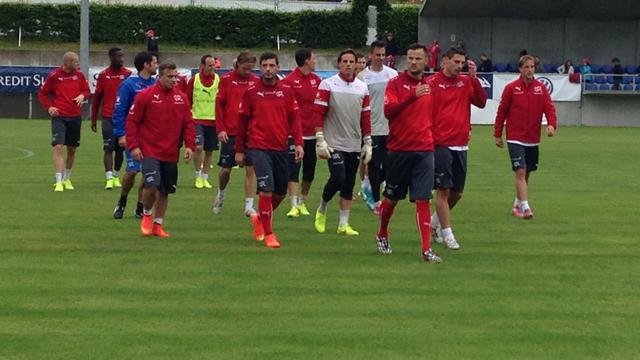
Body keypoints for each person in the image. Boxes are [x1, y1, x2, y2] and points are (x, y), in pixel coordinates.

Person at [376, 42, 441, 263]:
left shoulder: (430, 85)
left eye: (418, 59)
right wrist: (412, 95)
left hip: (424, 149)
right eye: (410, 58)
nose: (413, 62)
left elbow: (433, 116)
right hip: (398, 149)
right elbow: (388, 111)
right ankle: (382, 232)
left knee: (423, 199)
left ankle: (426, 249)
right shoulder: (395, 84)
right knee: (392, 199)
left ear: (426, 61)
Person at [235, 52, 303, 248]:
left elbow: (295, 119)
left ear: (278, 67)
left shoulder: (287, 91)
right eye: (264, 65)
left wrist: (298, 143)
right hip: (258, 147)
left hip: (280, 147)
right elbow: (242, 123)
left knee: (280, 192)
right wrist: (239, 150)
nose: (268, 69)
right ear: (260, 68)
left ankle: (260, 218)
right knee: (266, 190)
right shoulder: (251, 92)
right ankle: (269, 233)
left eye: (271, 65)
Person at [126, 61, 196, 238]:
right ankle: (147, 214)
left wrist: (189, 145)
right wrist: (133, 146)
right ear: (160, 77)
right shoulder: (146, 96)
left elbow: (188, 123)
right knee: (151, 184)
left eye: (176, 77)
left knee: (165, 190)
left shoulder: (181, 98)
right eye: (170, 77)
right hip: (149, 150)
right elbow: (132, 122)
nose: (174, 80)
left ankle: (158, 225)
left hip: (171, 152)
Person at [428, 45, 487, 250]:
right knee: (443, 191)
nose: (459, 66)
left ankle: (433, 223)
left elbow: (481, 102)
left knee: (458, 193)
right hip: (440, 143)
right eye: (456, 62)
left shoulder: (465, 81)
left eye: (462, 63)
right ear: (445, 61)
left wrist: (474, 77)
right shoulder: (433, 83)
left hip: (461, 144)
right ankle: (447, 233)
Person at [314, 49, 372, 236]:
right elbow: (318, 114)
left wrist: (368, 141)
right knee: (338, 177)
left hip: (354, 143)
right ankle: (322, 208)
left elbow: (365, 117)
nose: (348, 64)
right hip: (333, 142)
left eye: (351, 61)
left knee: (348, 183)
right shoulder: (327, 84)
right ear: (338, 64)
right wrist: (320, 139)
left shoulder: (362, 87)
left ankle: (343, 224)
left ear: (356, 64)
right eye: (344, 61)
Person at [494, 55, 557, 219]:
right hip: (515, 137)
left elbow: (549, 108)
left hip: (533, 137)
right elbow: (502, 111)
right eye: (527, 67)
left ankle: (517, 203)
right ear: (520, 69)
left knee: (527, 172)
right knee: (520, 172)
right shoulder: (511, 88)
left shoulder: (541, 88)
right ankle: (526, 207)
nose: (530, 70)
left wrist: (551, 124)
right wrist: (498, 133)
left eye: (532, 67)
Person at [213, 51, 263, 240]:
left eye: (250, 68)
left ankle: (249, 205)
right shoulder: (226, 80)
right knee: (226, 170)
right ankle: (221, 193)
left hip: (250, 133)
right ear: (237, 65)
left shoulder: (256, 81)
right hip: (230, 132)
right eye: (244, 68)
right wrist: (221, 129)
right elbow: (219, 106)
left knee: (251, 168)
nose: (247, 71)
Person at [112, 52, 158, 219]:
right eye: (154, 62)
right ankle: (122, 201)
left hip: (151, 137)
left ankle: (140, 206)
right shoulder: (129, 85)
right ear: (146, 65)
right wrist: (121, 134)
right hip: (133, 136)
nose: (156, 65)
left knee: (148, 174)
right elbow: (119, 110)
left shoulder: (157, 84)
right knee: (132, 171)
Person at [38, 51, 90, 192]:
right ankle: (58, 181)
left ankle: (67, 178)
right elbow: (42, 93)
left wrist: (82, 95)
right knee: (58, 146)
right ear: (67, 62)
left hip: (75, 116)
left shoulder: (79, 75)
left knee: (72, 149)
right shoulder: (54, 76)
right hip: (59, 116)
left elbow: (87, 91)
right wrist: (50, 107)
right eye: (75, 62)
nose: (78, 64)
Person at [357, 40, 398, 213]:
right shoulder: (362, 77)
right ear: (370, 56)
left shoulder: (393, 74)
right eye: (378, 55)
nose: (381, 58)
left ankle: (367, 186)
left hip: (390, 127)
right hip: (371, 128)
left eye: (383, 55)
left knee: (390, 166)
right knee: (374, 165)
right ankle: (375, 201)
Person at [281, 48, 321, 218]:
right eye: (313, 58)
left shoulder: (317, 80)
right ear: (306, 61)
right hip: (295, 134)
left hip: (312, 133)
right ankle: (293, 204)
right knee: (293, 169)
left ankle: (303, 201)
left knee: (309, 170)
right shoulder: (289, 81)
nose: (315, 61)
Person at [91, 47, 132, 190]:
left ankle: (115, 176)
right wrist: (93, 118)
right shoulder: (103, 75)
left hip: (124, 118)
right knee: (108, 147)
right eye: (118, 56)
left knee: (121, 148)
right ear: (111, 57)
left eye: (122, 56)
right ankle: (108, 178)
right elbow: (97, 98)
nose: (121, 59)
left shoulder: (128, 74)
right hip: (108, 117)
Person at [186, 54, 220, 189]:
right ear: (202, 66)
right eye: (210, 65)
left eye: (214, 65)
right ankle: (198, 176)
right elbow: (187, 99)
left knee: (210, 151)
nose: (212, 68)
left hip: (213, 120)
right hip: (197, 119)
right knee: (198, 147)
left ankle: (205, 177)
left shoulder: (218, 80)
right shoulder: (194, 80)